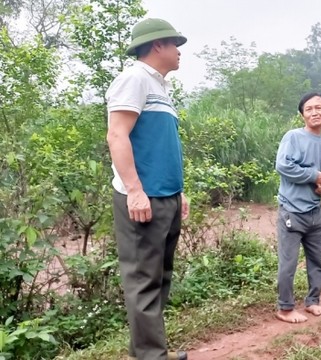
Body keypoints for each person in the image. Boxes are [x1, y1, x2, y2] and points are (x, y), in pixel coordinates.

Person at [106, 18, 189, 360]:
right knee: (143, 280)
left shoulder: (160, 89)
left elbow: (159, 146)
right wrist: (135, 190)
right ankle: (150, 356)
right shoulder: (134, 79)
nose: (179, 52)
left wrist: (178, 190)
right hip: (144, 199)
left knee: (158, 277)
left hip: (165, 197)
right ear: (158, 45)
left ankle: (150, 351)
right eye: (175, 45)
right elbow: (117, 135)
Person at [274, 93, 321, 324]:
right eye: (308, 109)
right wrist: (313, 175)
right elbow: (283, 165)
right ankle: (285, 308)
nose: (314, 112)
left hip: (315, 214)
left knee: (318, 261)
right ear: (302, 115)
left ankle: (313, 301)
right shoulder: (293, 137)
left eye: (318, 107)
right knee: (288, 263)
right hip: (292, 212)